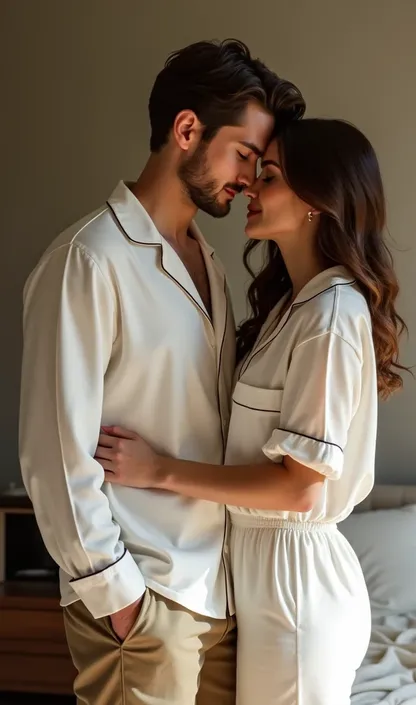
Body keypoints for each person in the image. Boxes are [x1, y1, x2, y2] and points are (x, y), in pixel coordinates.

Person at [19, 39, 305, 705]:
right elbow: (54, 452)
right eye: (242, 154)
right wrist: (120, 599)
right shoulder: (89, 262)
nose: (248, 178)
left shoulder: (214, 267)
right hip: (144, 602)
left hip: (218, 596)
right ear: (186, 130)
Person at [95, 117, 410, 705]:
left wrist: (157, 469)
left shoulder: (332, 315)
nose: (249, 188)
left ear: (320, 199)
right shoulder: (291, 308)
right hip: (258, 583)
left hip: (297, 593)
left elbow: (300, 491)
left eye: (268, 175)